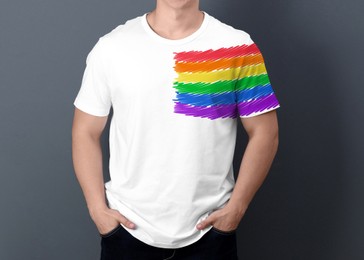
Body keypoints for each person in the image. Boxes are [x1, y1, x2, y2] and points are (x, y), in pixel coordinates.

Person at [72, 0, 280, 259]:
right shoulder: (112, 47)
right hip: (127, 231)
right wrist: (97, 209)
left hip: (211, 233)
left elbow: (265, 132)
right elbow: (85, 131)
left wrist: (237, 208)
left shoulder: (237, 46)